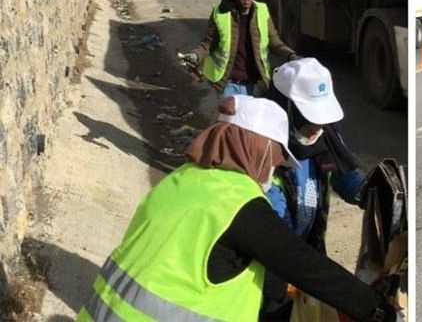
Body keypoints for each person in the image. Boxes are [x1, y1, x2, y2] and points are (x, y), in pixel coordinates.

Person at [76, 95, 397, 322]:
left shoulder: (180, 181)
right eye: (273, 155)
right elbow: (304, 265)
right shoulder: (240, 204)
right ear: (255, 149)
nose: (274, 166)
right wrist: (376, 309)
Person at [259, 57, 373, 319]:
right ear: (285, 107)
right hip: (273, 267)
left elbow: (342, 175)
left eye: (321, 120)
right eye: (309, 119)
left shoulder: (326, 135)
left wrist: (368, 192)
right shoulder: (263, 148)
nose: (316, 129)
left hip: (307, 255)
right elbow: (273, 228)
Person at [179, 0, 295, 99]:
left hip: (252, 83)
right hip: (228, 83)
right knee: (231, 119)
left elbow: (275, 43)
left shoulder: (261, 11)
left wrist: (291, 55)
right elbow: (209, 42)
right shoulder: (221, 13)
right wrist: (196, 55)